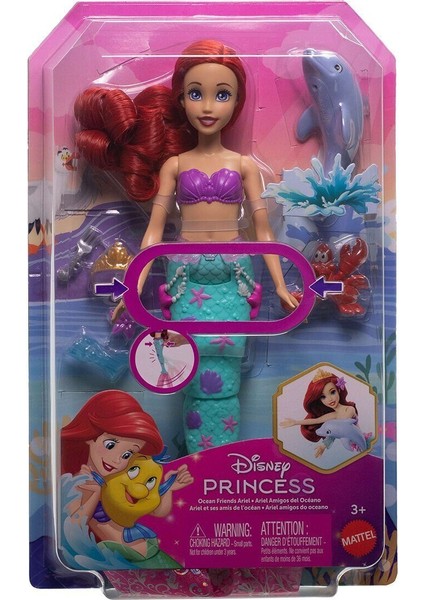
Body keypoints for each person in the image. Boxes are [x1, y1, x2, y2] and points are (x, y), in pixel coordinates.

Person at [74, 40, 298, 454]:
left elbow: (263, 230)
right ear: (180, 99)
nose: (208, 106)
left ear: (238, 101)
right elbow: (154, 233)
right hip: (185, 277)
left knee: (226, 373)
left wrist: (282, 286)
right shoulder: (174, 165)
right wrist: (132, 286)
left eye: (222, 95)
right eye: (196, 94)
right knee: (188, 368)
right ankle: (196, 460)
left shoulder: (244, 166)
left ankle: (221, 459)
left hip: (233, 276)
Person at [61, 390, 192, 564]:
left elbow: (157, 511)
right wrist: (93, 496)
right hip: (116, 554)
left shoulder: (123, 477)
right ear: (90, 437)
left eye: (127, 454)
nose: (117, 460)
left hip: (140, 548)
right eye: (110, 445)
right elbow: (71, 528)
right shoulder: (78, 481)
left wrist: (169, 489)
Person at [280, 369, 360, 457]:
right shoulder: (333, 415)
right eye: (323, 397)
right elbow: (316, 420)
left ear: (339, 390)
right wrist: (295, 422)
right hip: (352, 446)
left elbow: (338, 431)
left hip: (360, 440)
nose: (329, 399)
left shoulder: (349, 410)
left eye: (332, 392)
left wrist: (324, 444)